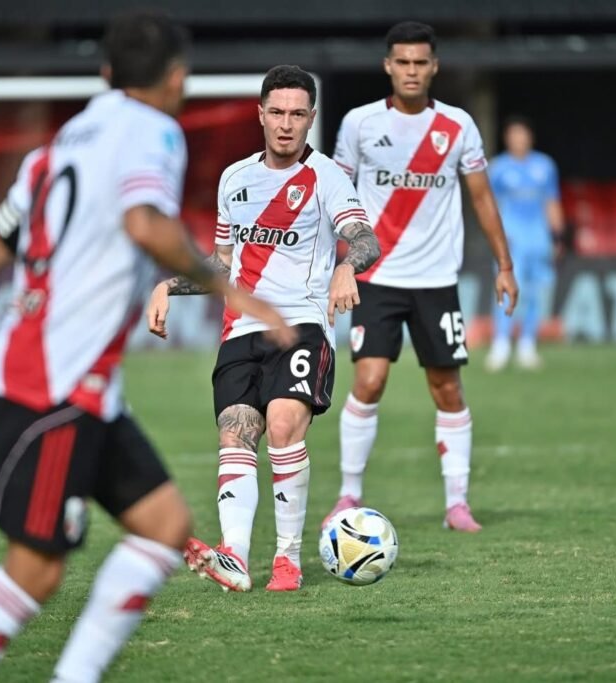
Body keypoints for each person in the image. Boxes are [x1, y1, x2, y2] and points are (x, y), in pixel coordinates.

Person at [0, 12, 293, 682]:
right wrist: (232, 291)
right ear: (176, 78)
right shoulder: (153, 131)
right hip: (54, 385)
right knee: (35, 571)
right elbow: (144, 222)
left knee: (165, 525)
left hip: (76, 384)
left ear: (105, 73)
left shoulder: (59, 145)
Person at [146, 65, 380, 592]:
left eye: (297, 114)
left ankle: (287, 559)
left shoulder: (327, 177)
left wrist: (348, 265)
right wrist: (169, 286)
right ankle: (234, 555)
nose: (286, 124)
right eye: (277, 112)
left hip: (301, 325)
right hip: (240, 330)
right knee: (236, 431)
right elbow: (222, 262)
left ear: (311, 118)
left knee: (282, 425)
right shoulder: (235, 178)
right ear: (260, 114)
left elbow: (364, 238)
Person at [323, 21, 518, 533]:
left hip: (435, 281)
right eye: (403, 62)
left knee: (447, 388)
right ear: (388, 65)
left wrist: (504, 266)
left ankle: (457, 504)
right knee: (369, 380)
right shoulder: (360, 123)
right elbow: (336, 195)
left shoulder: (457, 125)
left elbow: (482, 198)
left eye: (420, 62)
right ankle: (348, 494)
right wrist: (331, 265)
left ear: (434, 67)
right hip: (376, 276)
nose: (411, 71)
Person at [485, 115, 563, 371]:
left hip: (538, 238)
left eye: (523, 134)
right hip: (512, 239)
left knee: (535, 293)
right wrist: (497, 235)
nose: (519, 139)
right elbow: (489, 205)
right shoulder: (498, 168)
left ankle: (527, 344)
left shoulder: (545, 166)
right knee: (506, 289)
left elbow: (552, 201)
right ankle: (501, 344)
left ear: (530, 137)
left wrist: (557, 236)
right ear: (507, 139)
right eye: (514, 135)